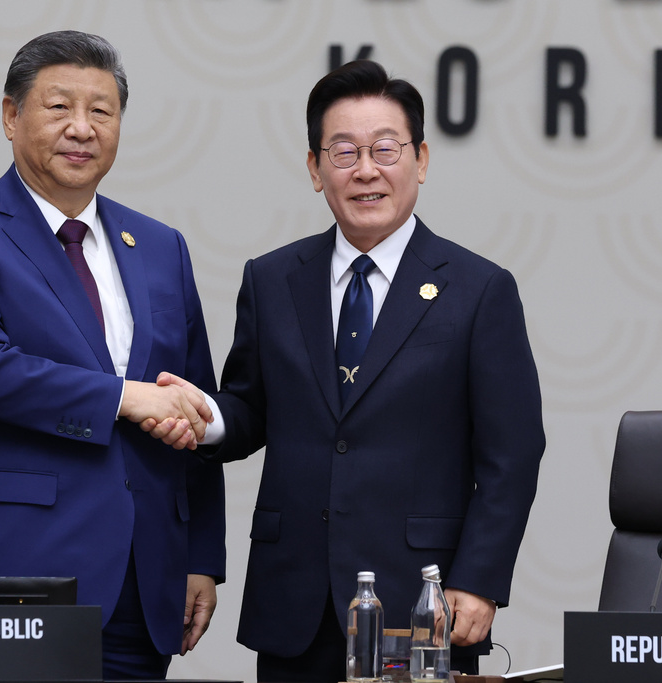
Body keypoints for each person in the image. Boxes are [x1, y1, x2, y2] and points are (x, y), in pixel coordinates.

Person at [147, 59, 545, 681]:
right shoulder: (273, 279)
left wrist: (480, 580)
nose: (366, 170)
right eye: (344, 152)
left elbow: (512, 453)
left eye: (386, 148)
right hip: (294, 600)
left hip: (423, 602)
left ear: (421, 160)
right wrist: (204, 419)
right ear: (314, 169)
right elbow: (251, 405)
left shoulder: (479, 290)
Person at [0, 30, 225, 680]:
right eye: (59, 107)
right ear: (10, 116)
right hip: (11, 574)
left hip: (143, 582)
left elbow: (191, 404)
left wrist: (200, 555)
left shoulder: (162, 246)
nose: (82, 128)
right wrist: (124, 397)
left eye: (101, 111)